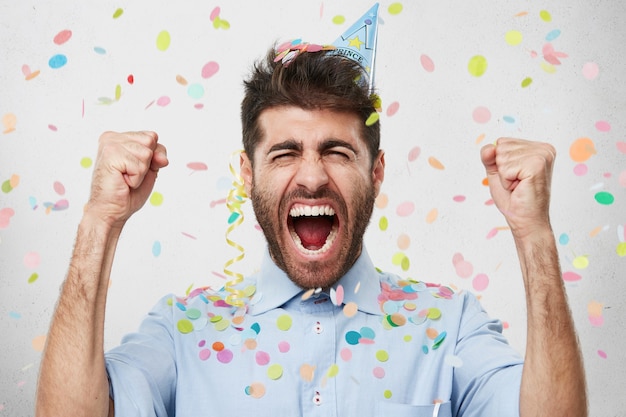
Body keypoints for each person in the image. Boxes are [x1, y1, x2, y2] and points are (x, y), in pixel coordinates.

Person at [35, 36, 587, 417]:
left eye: (338, 151)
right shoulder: (182, 331)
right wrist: (99, 222)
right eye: (284, 153)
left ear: (377, 171)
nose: (313, 177)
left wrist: (533, 234)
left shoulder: (451, 326)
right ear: (248, 174)